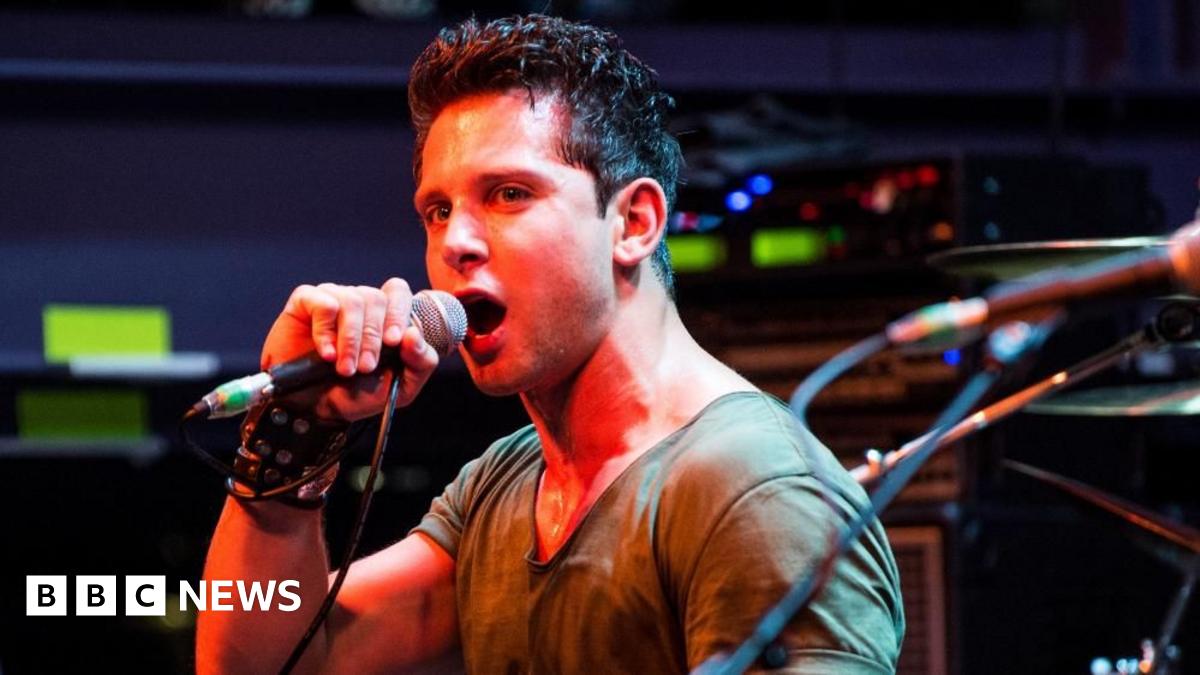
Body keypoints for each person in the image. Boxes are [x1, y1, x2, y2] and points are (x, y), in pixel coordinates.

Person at [197, 13, 904, 674]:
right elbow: (274, 659)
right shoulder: (504, 483)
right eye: (437, 211)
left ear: (634, 223)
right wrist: (295, 431)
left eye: (508, 194)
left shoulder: (754, 490)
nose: (456, 243)